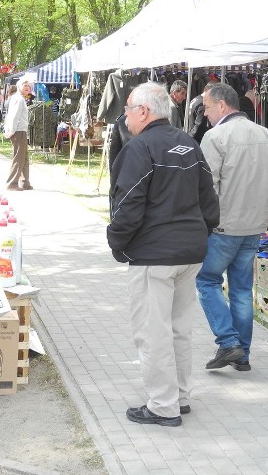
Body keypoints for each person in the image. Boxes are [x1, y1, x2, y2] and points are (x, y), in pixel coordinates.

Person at [107, 82, 219, 428]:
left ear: (144, 111)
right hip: (189, 251)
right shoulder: (188, 144)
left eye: (127, 108)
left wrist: (116, 241)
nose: (124, 115)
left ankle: (163, 405)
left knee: (153, 331)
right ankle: (179, 396)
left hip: (155, 255)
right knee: (178, 329)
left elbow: (128, 203)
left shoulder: (141, 147)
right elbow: (209, 201)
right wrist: (201, 231)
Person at [196, 83, 268, 372]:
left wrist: (208, 221)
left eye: (207, 107)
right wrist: (261, 213)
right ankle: (242, 354)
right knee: (242, 289)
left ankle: (229, 341)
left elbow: (207, 188)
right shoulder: (267, 135)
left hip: (224, 227)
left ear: (222, 106)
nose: (205, 113)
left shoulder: (216, 135)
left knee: (206, 281)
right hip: (253, 226)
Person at [3, 79, 32, 191]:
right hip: (18, 131)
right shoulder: (19, 99)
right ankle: (12, 183)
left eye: (29, 86)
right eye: (25, 85)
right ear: (19, 86)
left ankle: (25, 182)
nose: (27, 88)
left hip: (20, 131)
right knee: (19, 158)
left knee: (24, 158)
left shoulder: (19, 98)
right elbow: (13, 116)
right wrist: (11, 131)